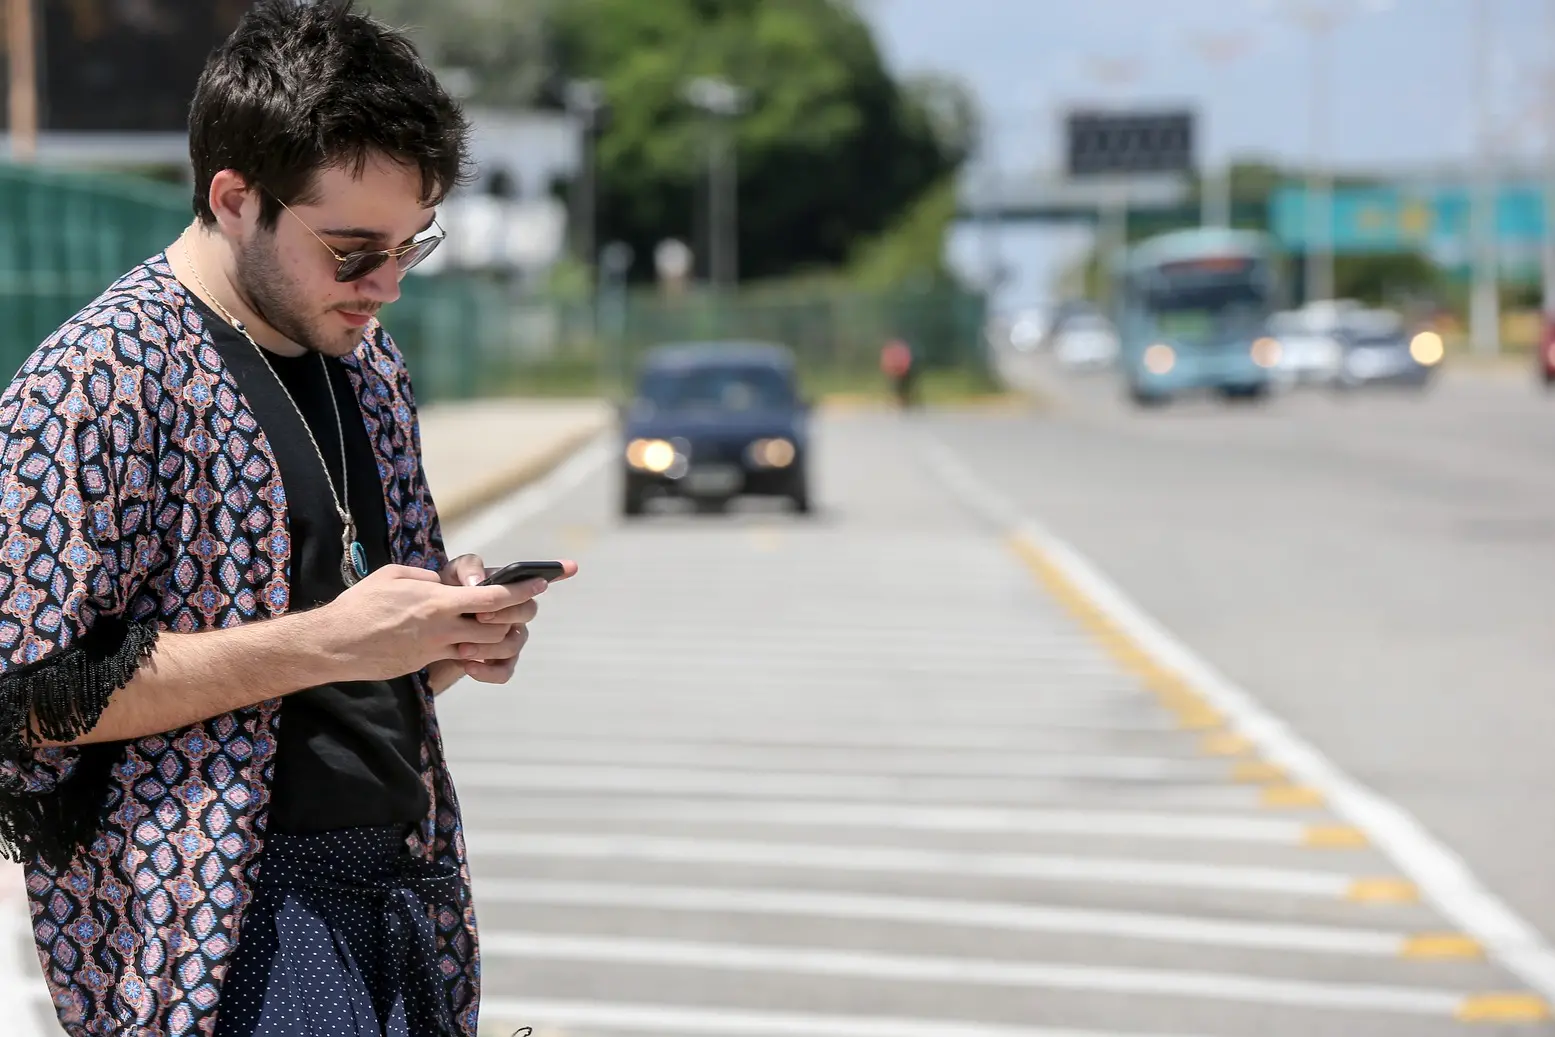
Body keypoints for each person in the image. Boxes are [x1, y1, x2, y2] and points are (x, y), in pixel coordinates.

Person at [0, 2, 569, 1034]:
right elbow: (29, 694)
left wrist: (441, 631)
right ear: (234, 196)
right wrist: (329, 640)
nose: (386, 283)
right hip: (224, 914)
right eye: (353, 250)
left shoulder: (371, 364)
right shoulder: (99, 377)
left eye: (410, 245)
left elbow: (352, 656)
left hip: (404, 882)